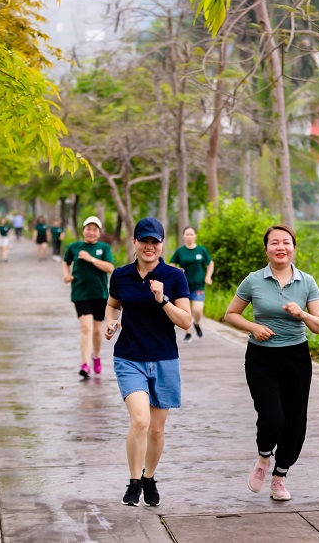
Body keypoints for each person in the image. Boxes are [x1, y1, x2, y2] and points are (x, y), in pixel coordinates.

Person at [225, 225, 319, 502]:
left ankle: (279, 477)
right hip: (261, 358)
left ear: (293, 248)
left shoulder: (306, 282)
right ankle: (263, 456)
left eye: (286, 242)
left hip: (296, 357)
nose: (280, 247)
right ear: (266, 249)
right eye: (274, 243)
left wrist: (302, 314)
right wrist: (253, 327)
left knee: (296, 421)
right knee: (272, 416)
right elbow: (231, 314)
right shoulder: (253, 281)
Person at [104, 217, 191, 507]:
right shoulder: (121, 275)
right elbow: (113, 304)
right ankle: (133, 481)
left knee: (156, 429)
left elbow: (186, 322)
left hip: (164, 359)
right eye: (144, 241)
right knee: (140, 420)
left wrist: (163, 299)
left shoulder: (175, 276)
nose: (149, 246)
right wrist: (110, 323)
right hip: (129, 357)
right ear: (135, 243)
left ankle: (149, 476)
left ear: (162, 244)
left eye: (155, 241)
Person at [62, 216, 115, 378]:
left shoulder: (104, 248)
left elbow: (110, 267)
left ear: (99, 233)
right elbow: (65, 262)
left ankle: (96, 357)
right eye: (88, 229)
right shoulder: (73, 247)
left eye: (95, 230)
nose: (91, 232)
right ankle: (85, 364)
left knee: (98, 331)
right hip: (80, 293)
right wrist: (66, 275)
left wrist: (91, 259)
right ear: (83, 230)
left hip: (99, 294)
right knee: (86, 328)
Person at [170, 226, 214, 343]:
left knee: (198, 310)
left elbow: (210, 264)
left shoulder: (201, 250)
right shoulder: (180, 251)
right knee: (186, 312)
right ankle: (188, 333)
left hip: (198, 285)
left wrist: (208, 277)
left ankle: (197, 323)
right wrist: (178, 269)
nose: (189, 236)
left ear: (195, 236)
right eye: (187, 234)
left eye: (191, 234)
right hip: (183, 286)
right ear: (183, 236)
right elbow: (172, 264)